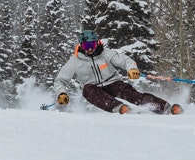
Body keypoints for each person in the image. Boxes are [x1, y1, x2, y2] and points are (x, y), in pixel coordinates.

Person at [51, 29, 181, 114]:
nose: (90, 49)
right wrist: (61, 93)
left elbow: (125, 60)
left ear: (97, 43)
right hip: (92, 88)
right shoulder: (75, 61)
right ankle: (120, 108)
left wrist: (132, 69)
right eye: (86, 46)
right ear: (81, 46)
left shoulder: (106, 53)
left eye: (92, 45)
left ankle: (165, 108)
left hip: (113, 82)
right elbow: (60, 80)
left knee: (131, 93)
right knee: (88, 90)